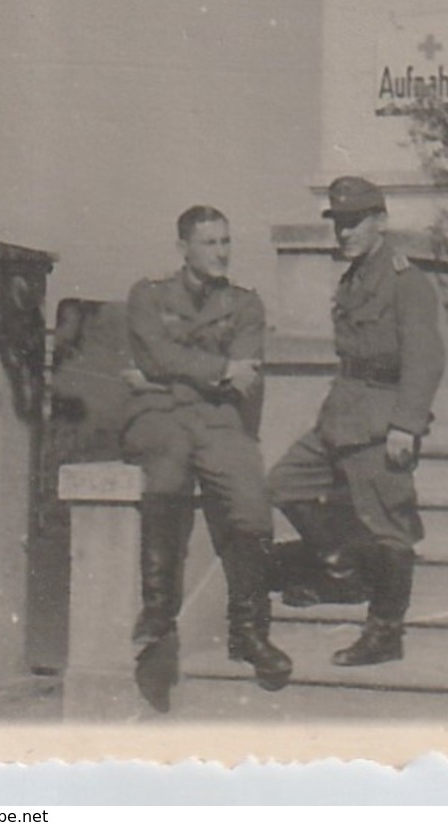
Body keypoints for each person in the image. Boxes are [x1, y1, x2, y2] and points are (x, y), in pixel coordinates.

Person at [267, 176, 446, 666]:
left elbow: (425, 359)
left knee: (388, 526)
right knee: (283, 483)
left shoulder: (406, 281)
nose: (343, 233)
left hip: (381, 418)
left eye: (354, 222)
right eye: (339, 223)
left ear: (381, 222)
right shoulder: (352, 279)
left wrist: (406, 426)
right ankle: (344, 568)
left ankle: (385, 633)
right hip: (342, 412)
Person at [122, 205, 293, 712]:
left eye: (226, 242)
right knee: (168, 474)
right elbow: (156, 354)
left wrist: (176, 372)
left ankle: (249, 633)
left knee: (251, 500)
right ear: (183, 249)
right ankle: (157, 613)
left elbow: (241, 372)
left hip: (218, 419)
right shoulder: (148, 295)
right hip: (160, 415)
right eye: (210, 243)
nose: (221, 252)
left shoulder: (244, 305)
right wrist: (215, 369)